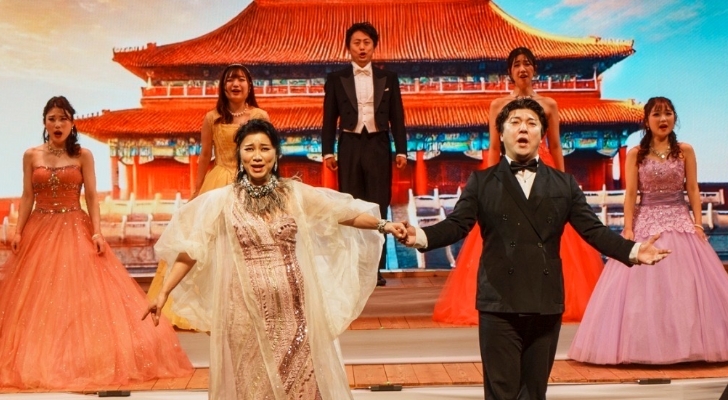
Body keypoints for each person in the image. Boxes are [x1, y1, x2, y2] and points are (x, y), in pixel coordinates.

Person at [401, 98, 669, 400]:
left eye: (531, 123)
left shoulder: (563, 184)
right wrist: (419, 236)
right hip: (498, 302)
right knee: (501, 392)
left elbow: (593, 230)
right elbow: (456, 225)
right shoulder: (482, 182)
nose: (523, 129)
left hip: (545, 301)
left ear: (542, 134)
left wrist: (633, 251)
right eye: (515, 122)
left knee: (534, 392)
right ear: (501, 133)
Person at [144, 119, 406, 399]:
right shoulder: (222, 200)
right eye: (249, 149)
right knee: (253, 384)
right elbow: (190, 250)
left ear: (276, 154)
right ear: (239, 155)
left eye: (264, 148)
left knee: (300, 382)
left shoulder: (293, 193)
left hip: (292, 308)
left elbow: (343, 213)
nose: (257, 156)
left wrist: (384, 225)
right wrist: (164, 292)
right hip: (242, 311)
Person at [0, 96, 192, 390]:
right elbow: (27, 196)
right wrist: (18, 231)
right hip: (39, 229)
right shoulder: (31, 155)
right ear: (45, 123)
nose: (57, 124)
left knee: (78, 295)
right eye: (52, 119)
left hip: (75, 227)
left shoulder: (83, 155)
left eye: (63, 119)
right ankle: (43, 358)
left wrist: (98, 232)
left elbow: (91, 195)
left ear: (72, 123)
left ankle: (81, 358)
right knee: (37, 299)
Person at [433, 47, 604, 324]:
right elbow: (493, 147)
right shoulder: (498, 106)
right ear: (510, 72)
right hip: (508, 171)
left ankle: (553, 298)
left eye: (527, 63)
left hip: (544, 173)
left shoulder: (549, 105)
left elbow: (555, 145)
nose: (522, 69)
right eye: (516, 65)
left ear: (534, 69)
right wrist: (491, 184)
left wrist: (562, 185)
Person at [569, 97, 728, 364]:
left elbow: (692, 189)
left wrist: (698, 223)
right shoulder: (636, 154)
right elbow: (631, 194)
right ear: (646, 121)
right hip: (647, 223)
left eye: (668, 114)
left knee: (685, 287)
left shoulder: (685, 151)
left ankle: (688, 346)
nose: (663, 119)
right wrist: (628, 228)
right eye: (657, 114)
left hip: (680, 222)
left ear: (674, 118)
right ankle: (643, 347)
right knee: (643, 291)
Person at [147, 64, 269, 330]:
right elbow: (204, 155)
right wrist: (197, 190)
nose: (235, 84)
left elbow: (268, 150)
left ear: (249, 85)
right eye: (230, 80)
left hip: (251, 183)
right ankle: (214, 309)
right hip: (219, 183)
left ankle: (252, 308)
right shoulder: (212, 117)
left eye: (240, 79)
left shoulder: (260, 115)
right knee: (209, 247)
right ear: (223, 86)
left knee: (250, 245)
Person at [322, 22, 407, 286]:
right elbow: (329, 117)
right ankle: (353, 268)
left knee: (378, 204)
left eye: (366, 43)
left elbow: (397, 116)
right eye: (357, 43)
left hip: (379, 143)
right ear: (348, 47)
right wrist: (327, 151)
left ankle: (375, 270)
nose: (362, 47)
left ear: (374, 47)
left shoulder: (388, 78)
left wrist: (401, 149)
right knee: (351, 205)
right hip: (349, 144)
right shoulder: (336, 78)